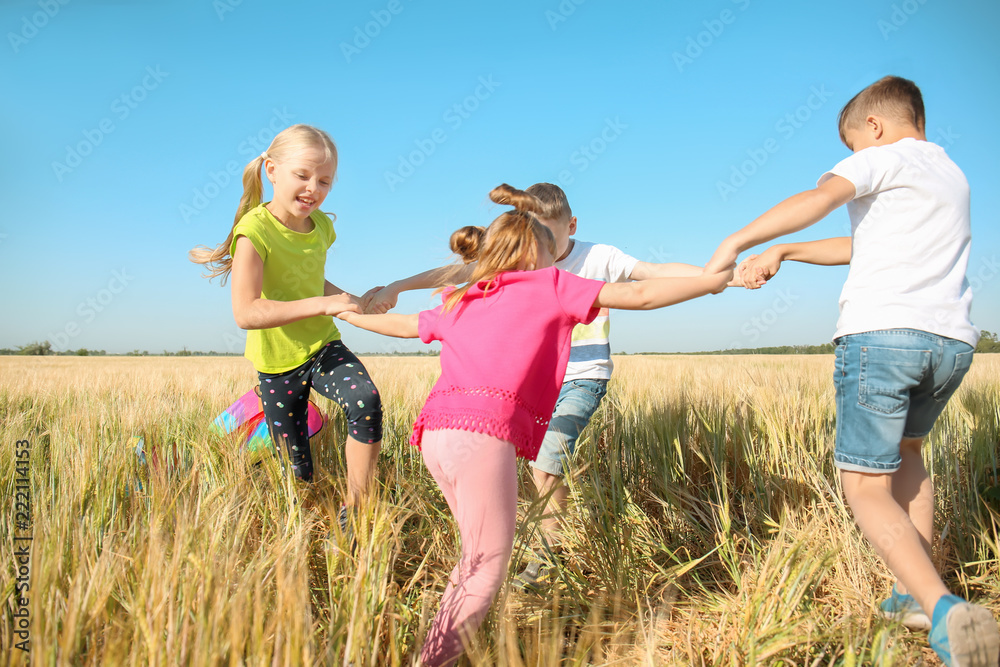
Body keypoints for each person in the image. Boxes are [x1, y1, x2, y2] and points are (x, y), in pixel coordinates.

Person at [337, 183, 732, 667]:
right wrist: (710, 282)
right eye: (550, 251)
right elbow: (645, 294)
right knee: (488, 568)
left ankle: (451, 641)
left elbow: (403, 325)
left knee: (473, 556)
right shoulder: (551, 285)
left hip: (436, 434)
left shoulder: (465, 294)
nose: (556, 261)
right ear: (536, 252)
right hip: (484, 434)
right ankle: (433, 660)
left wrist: (349, 314)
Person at [708, 76, 999, 667]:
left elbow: (818, 200)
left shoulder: (882, 156)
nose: (852, 161)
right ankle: (911, 594)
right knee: (910, 456)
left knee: (863, 486)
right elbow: (859, 245)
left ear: (875, 127)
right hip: (949, 344)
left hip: (882, 337)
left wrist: (738, 240)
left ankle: (945, 612)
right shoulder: (949, 174)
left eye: (853, 148)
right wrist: (785, 253)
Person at [189, 124, 382, 533]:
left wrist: (352, 301)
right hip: (277, 364)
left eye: (325, 180)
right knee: (297, 471)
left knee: (365, 400)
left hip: (322, 345)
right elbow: (246, 311)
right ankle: (304, 524)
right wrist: (324, 303)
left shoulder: (323, 229)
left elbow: (313, 281)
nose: (314, 188)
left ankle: (356, 511)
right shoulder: (254, 231)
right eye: (303, 175)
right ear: (272, 171)